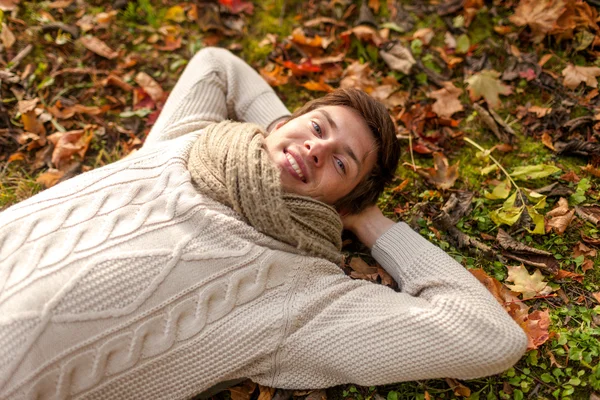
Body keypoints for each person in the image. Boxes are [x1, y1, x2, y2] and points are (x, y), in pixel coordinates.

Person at [0, 47, 527, 400]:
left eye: (342, 162)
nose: (317, 148)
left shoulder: (303, 295)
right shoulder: (190, 142)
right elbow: (217, 64)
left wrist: (374, 226)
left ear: (342, 203)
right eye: (317, 126)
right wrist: (281, 133)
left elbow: (488, 338)